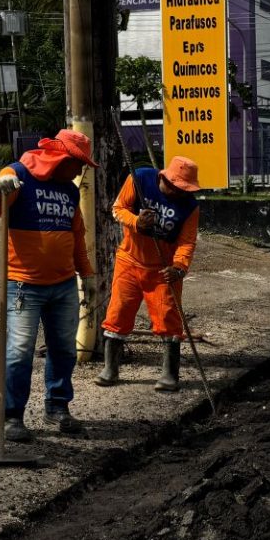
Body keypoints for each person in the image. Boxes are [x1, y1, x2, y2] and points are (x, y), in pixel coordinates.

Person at [0, 130, 98, 442]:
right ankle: (12, 417)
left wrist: (87, 274)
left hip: (63, 285)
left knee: (63, 350)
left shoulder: (69, 191)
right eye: (79, 164)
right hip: (23, 285)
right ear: (63, 158)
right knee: (18, 352)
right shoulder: (16, 174)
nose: (81, 170)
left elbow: (77, 237)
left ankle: (57, 407)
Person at [95, 156, 202, 393]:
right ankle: (110, 368)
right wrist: (136, 222)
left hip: (163, 270)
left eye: (184, 189)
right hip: (129, 262)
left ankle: (169, 374)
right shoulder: (140, 178)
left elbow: (187, 242)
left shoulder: (190, 206)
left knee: (168, 318)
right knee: (118, 313)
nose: (178, 193)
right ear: (164, 178)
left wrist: (179, 267)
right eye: (175, 187)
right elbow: (118, 208)